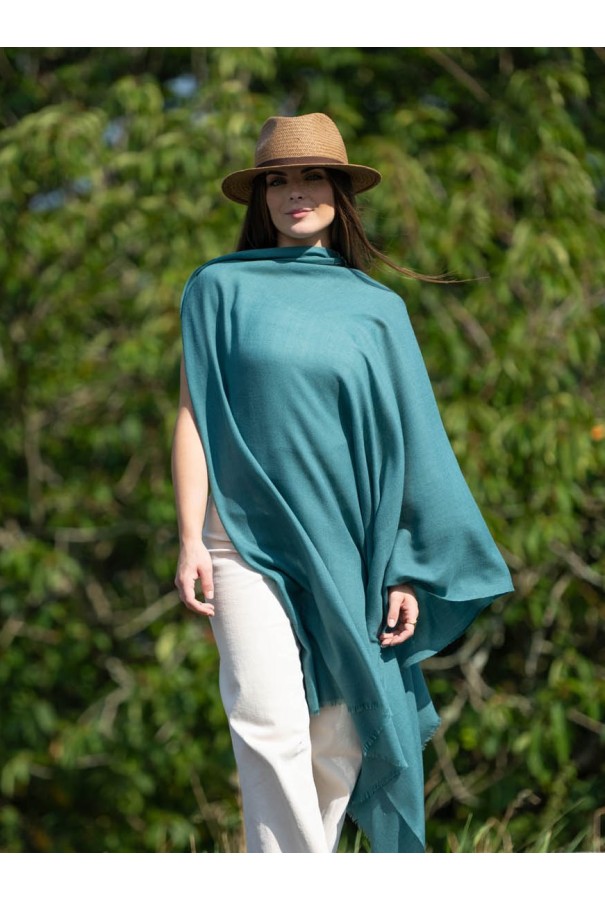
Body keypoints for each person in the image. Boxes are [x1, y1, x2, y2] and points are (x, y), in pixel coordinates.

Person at [172, 112, 513, 853]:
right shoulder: (217, 289)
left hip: (349, 547)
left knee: (336, 738)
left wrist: (403, 568)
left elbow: (410, 444)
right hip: (239, 539)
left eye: (311, 176)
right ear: (260, 197)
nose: (293, 192)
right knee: (267, 720)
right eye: (277, 180)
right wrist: (190, 537)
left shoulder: (378, 310)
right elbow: (194, 416)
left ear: (340, 192)